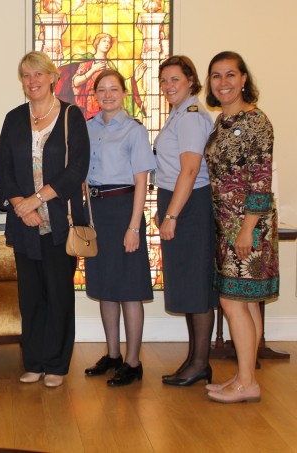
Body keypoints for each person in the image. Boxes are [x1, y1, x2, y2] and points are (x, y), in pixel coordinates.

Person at [0, 51, 89, 388]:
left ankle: (57, 364)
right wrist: (23, 206)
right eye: (26, 76)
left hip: (60, 224)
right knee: (31, 297)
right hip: (25, 225)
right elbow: (2, 170)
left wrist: (38, 199)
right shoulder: (14, 118)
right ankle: (33, 361)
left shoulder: (70, 116)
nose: (32, 81)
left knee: (59, 296)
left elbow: (77, 168)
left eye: (38, 74)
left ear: (52, 77)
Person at [204, 51, 278, 403]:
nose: (223, 82)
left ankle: (247, 382)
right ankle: (244, 376)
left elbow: (261, 179)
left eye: (230, 75)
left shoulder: (256, 122)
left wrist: (247, 228)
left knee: (232, 302)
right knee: (245, 304)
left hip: (248, 225)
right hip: (227, 222)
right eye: (216, 76)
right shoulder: (221, 122)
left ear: (244, 79)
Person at [83, 69, 155, 387]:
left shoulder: (135, 131)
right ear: (95, 94)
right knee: (105, 288)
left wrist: (134, 227)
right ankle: (112, 355)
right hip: (97, 212)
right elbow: (82, 176)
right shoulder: (87, 128)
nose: (108, 94)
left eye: (114, 89)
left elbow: (142, 181)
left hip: (125, 209)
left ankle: (133, 361)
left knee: (129, 289)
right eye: (102, 89)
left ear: (124, 93)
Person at [154, 55, 218, 387]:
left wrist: (172, 214)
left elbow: (190, 171)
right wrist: (164, 206)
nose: (168, 86)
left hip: (191, 206)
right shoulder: (178, 115)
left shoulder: (191, 117)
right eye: (163, 81)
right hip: (178, 199)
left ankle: (200, 363)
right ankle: (195, 359)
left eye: (174, 79)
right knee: (189, 286)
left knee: (196, 285)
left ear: (191, 81)